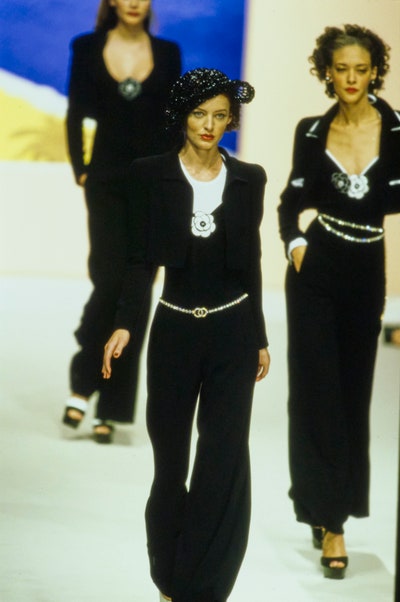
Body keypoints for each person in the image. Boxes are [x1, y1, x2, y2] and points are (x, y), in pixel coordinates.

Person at [102, 68, 270, 602]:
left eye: (220, 115)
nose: (209, 125)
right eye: (199, 114)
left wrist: (260, 336)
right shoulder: (150, 175)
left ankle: (203, 587)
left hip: (233, 332)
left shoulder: (249, 178)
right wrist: (125, 323)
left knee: (221, 463)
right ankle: (169, 580)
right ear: (182, 116)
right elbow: (139, 261)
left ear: (231, 120)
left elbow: (250, 263)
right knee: (170, 467)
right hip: (174, 331)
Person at [278, 24, 400, 579]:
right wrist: (295, 244)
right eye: (342, 68)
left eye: (361, 69)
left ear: (376, 71)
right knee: (313, 394)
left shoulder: (397, 132)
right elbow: (289, 202)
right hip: (317, 267)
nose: (352, 78)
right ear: (327, 72)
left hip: (367, 269)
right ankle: (332, 525)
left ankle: (324, 502)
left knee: (352, 395)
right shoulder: (311, 131)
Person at [62, 0, 181, 443]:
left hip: (152, 184)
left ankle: (109, 407)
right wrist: (81, 168)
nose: (133, 2)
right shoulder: (87, 46)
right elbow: (76, 111)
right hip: (107, 181)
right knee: (109, 280)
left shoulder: (167, 53)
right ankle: (84, 376)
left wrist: (173, 180)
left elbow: (173, 122)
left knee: (137, 288)